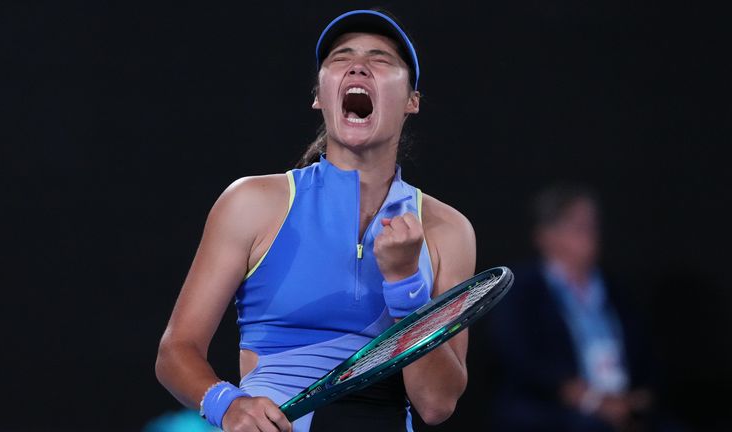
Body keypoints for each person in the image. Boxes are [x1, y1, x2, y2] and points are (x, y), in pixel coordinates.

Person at [155, 10, 477, 432]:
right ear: (319, 96)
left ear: (412, 101)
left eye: (380, 59)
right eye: (342, 58)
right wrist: (227, 404)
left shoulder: (449, 231)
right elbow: (176, 350)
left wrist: (405, 285)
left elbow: (436, 404)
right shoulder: (251, 203)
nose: (359, 64)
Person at [487, 185, 666, 432]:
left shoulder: (616, 289)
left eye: (593, 225)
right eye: (577, 227)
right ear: (545, 236)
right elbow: (521, 358)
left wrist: (638, 398)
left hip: (623, 404)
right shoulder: (522, 291)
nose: (590, 234)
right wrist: (588, 399)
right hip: (555, 411)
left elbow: (645, 355)